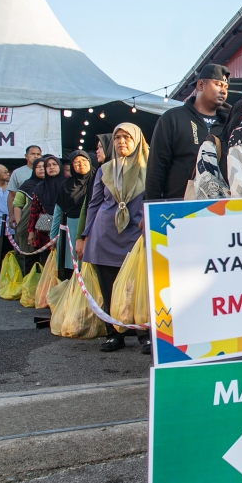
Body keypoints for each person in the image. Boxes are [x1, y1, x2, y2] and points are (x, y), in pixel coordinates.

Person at [78, 123, 150, 354]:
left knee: (138, 287)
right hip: (104, 234)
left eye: (127, 137)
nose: (121, 142)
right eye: (117, 137)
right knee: (107, 288)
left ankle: (144, 335)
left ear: (138, 140)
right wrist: (84, 235)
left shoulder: (150, 168)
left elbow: (156, 198)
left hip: (136, 235)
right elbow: (94, 203)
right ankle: (114, 335)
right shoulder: (104, 170)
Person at [145, 64, 230, 201]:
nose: (223, 91)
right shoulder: (172, 118)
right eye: (218, 84)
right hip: (178, 206)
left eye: (226, 87)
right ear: (200, 85)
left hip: (219, 208)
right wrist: (150, 205)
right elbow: (157, 166)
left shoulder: (229, 124)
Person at [50, 151, 95, 279]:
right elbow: (58, 211)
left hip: (91, 226)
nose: (80, 164)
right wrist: (53, 236)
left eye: (84, 160)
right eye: (76, 162)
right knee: (71, 268)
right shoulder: (66, 185)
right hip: (70, 227)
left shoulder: (96, 181)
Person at [13, 158, 46, 270]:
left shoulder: (55, 184)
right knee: (29, 258)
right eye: (38, 167)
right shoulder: (27, 185)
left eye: (44, 166)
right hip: (29, 225)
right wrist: (19, 224)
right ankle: (29, 282)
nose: (41, 169)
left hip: (47, 227)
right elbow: (17, 204)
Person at [28, 156, 64, 255]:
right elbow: (34, 211)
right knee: (47, 262)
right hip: (45, 231)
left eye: (54, 164)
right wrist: (31, 231)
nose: (51, 167)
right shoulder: (40, 187)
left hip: (66, 228)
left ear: (60, 166)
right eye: (48, 166)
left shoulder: (69, 183)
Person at [7, 145, 42, 228]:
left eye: (38, 154)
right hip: (24, 214)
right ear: (26, 156)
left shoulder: (45, 171)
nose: (36, 156)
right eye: (32, 154)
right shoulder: (17, 173)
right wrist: (12, 215)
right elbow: (12, 195)